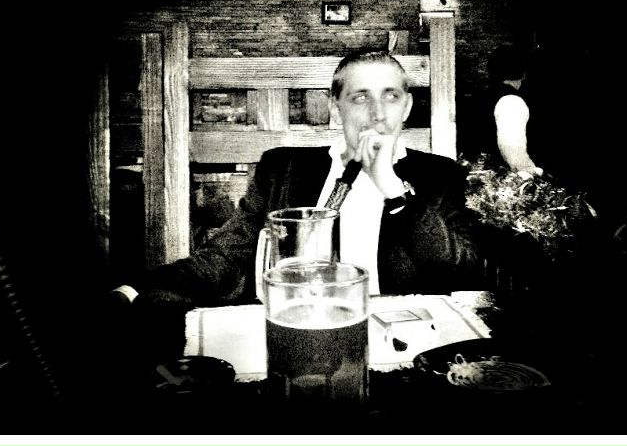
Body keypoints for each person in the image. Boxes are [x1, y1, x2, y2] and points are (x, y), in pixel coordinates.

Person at [114, 50, 481, 309]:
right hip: (299, 322)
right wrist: (134, 290)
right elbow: (227, 256)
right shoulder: (282, 168)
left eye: (391, 96)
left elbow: (462, 272)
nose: (377, 114)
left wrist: (392, 189)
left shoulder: (441, 175)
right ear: (335, 107)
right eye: (359, 97)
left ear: (407, 107)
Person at [476, 45, 544, 179]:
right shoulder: (511, 101)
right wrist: (531, 174)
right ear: (523, 74)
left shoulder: (482, 98)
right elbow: (513, 152)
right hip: (500, 180)